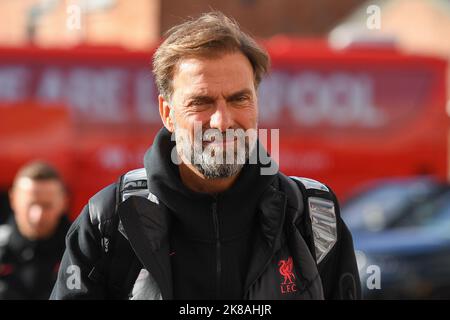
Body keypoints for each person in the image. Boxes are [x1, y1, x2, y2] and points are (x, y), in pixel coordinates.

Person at [50, 12, 361, 300]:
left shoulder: (313, 217)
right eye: (201, 102)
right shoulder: (109, 221)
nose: (222, 121)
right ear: (167, 113)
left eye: (239, 99)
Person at [0, 161, 71, 299]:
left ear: (63, 202)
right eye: (31, 204)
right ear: (13, 199)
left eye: (47, 205)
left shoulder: (82, 249)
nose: (37, 216)